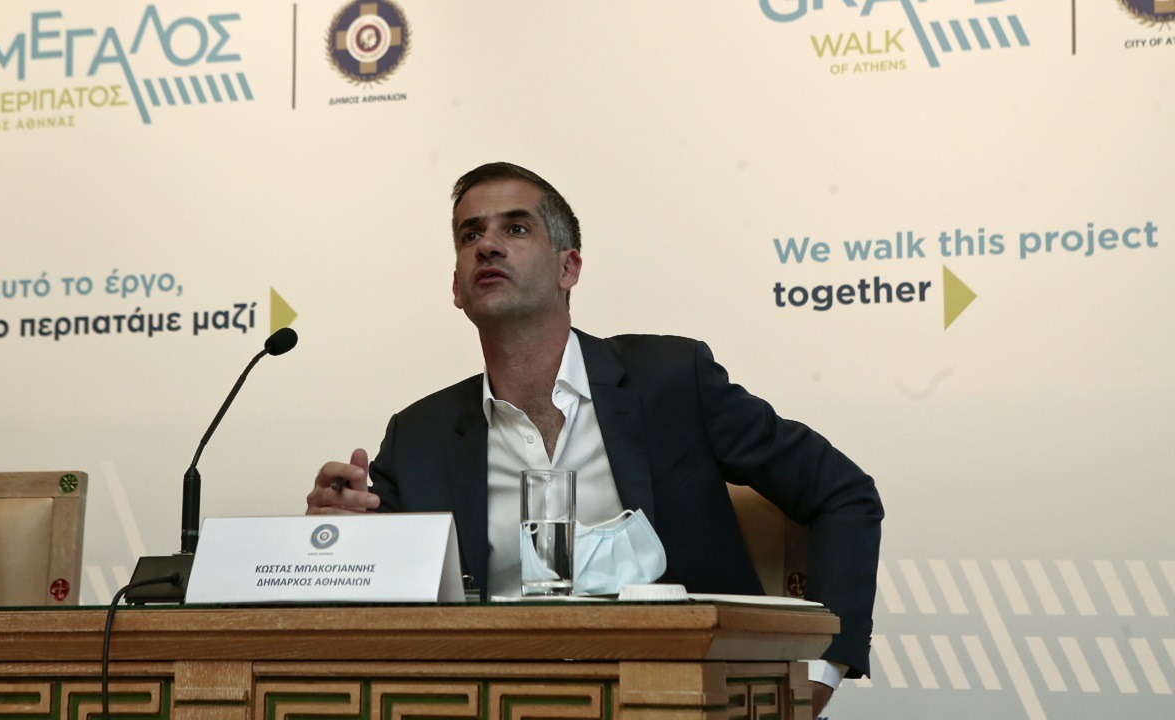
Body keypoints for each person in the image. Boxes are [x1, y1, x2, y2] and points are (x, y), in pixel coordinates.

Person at [308, 162, 883, 717]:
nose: (488, 246)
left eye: (516, 228)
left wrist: (819, 673)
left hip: (678, 700)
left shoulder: (672, 382)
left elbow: (842, 492)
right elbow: (376, 594)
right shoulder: (419, 437)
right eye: (470, 235)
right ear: (456, 288)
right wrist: (335, 540)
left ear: (569, 268)